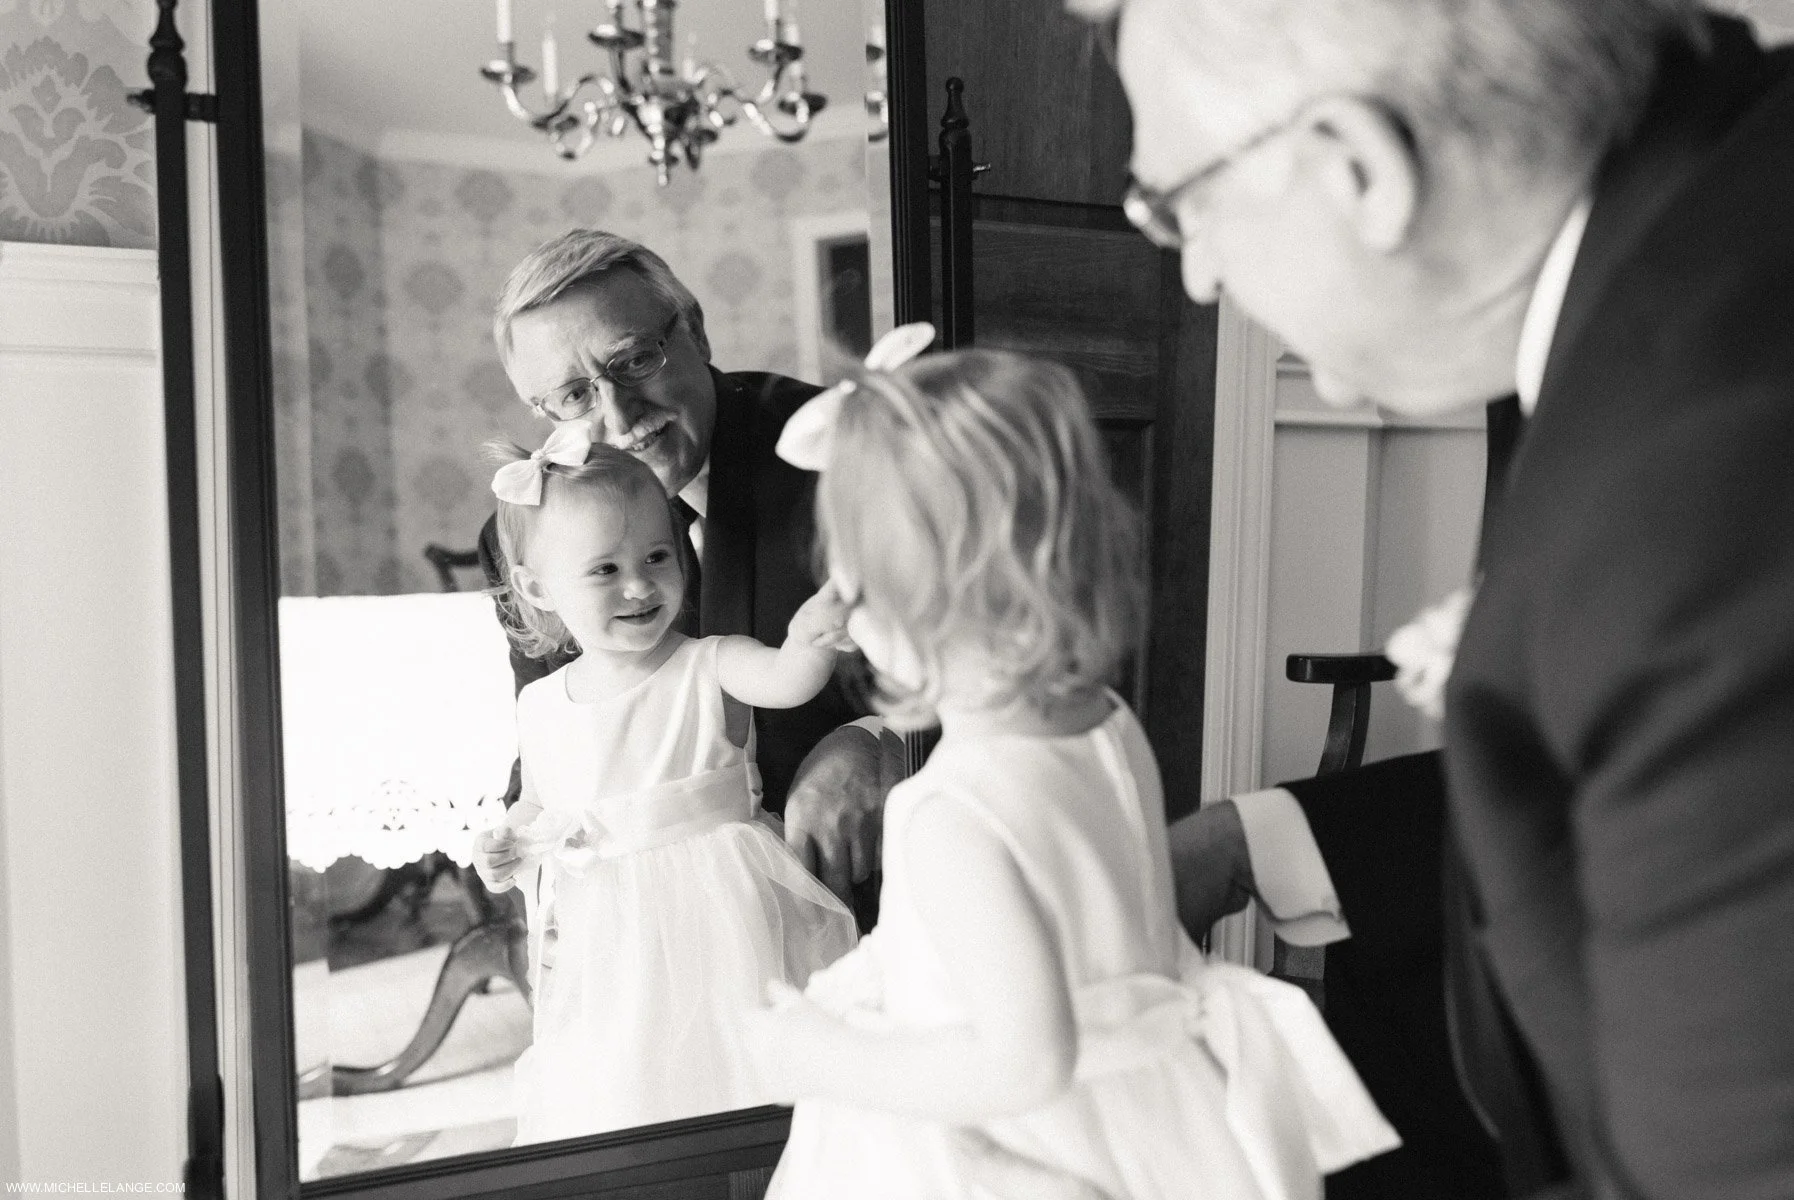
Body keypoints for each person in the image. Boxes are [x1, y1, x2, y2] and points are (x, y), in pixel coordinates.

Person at [1098, 0, 1794, 1196]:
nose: (1201, 277)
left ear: (1360, 165)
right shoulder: (1713, 208)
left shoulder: (1684, 488)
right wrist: (1255, 842)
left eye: (1184, 206)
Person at [741, 339, 1400, 1199]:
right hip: (1151, 1111)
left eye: (849, 583)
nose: (834, 606)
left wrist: (823, 1058)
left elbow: (1025, 1063)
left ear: (912, 603)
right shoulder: (1105, 722)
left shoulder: (949, 810)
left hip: (1022, 1152)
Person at [479, 229, 898, 911]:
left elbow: (991, 653)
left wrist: (877, 742)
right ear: (542, 411)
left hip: (862, 892)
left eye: (635, 360)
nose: (618, 415)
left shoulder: (842, 453)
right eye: (574, 396)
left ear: (696, 333)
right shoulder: (532, 540)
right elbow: (554, 741)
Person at [471, 440, 858, 1141]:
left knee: (739, 1073)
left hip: (721, 915)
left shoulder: (708, 663)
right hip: (611, 937)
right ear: (537, 589)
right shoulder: (545, 705)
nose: (640, 586)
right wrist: (505, 844)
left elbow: (788, 680)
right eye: (606, 570)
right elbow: (541, 804)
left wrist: (811, 637)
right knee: (627, 1077)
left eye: (657, 557)